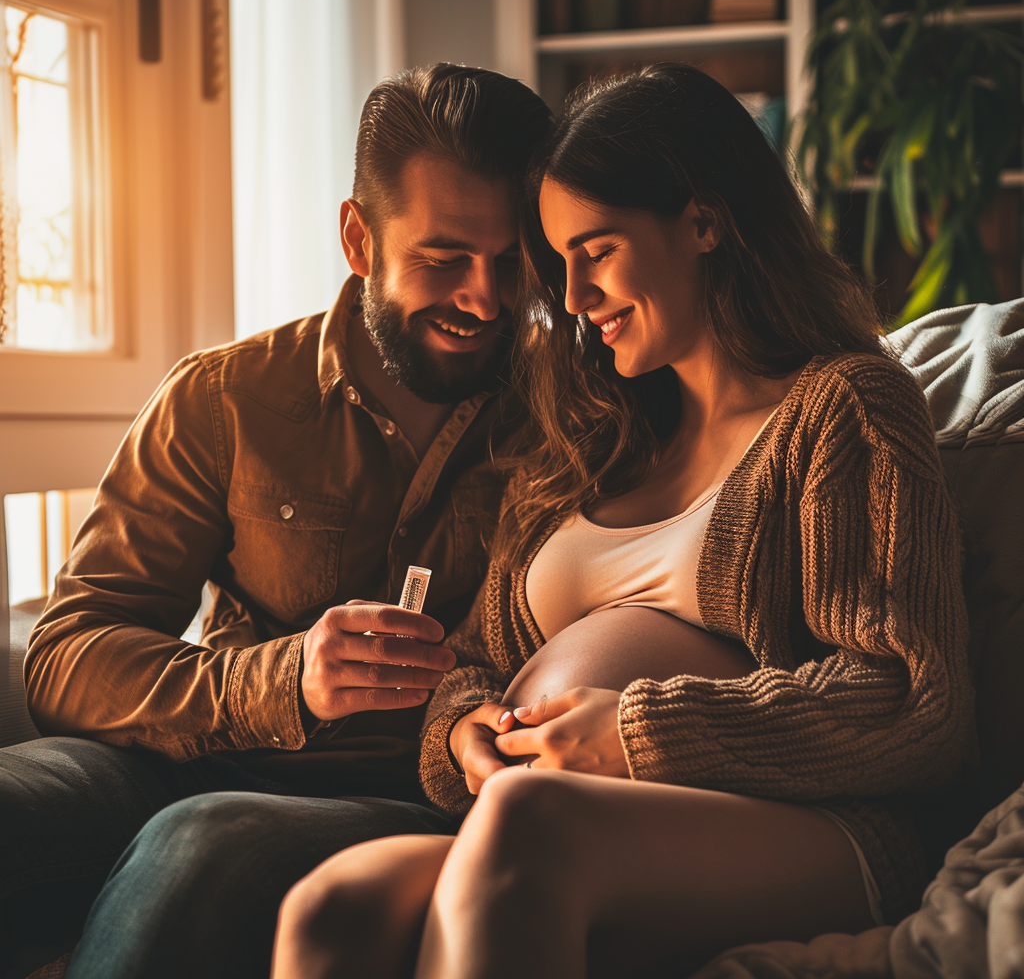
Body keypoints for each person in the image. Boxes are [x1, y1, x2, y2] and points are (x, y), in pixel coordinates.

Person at [269, 63, 976, 979]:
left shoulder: (845, 407)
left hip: (813, 828)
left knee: (529, 827)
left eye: (596, 252)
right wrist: (462, 731)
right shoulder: (589, 440)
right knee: (334, 907)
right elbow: (472, 659)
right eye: (557, 264)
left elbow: (914, 702)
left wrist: (637, 731)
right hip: (557, 816)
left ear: (706, 221)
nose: (571, 300)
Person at [0, 63, 551, 979]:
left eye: (512, 260)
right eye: (443, 258)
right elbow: (67, 654)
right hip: (188, 754)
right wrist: (283, 679)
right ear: (358, 238)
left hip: (408, 798)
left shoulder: (574, 423)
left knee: (202, 846)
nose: (485, 299)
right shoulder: (225, 400)